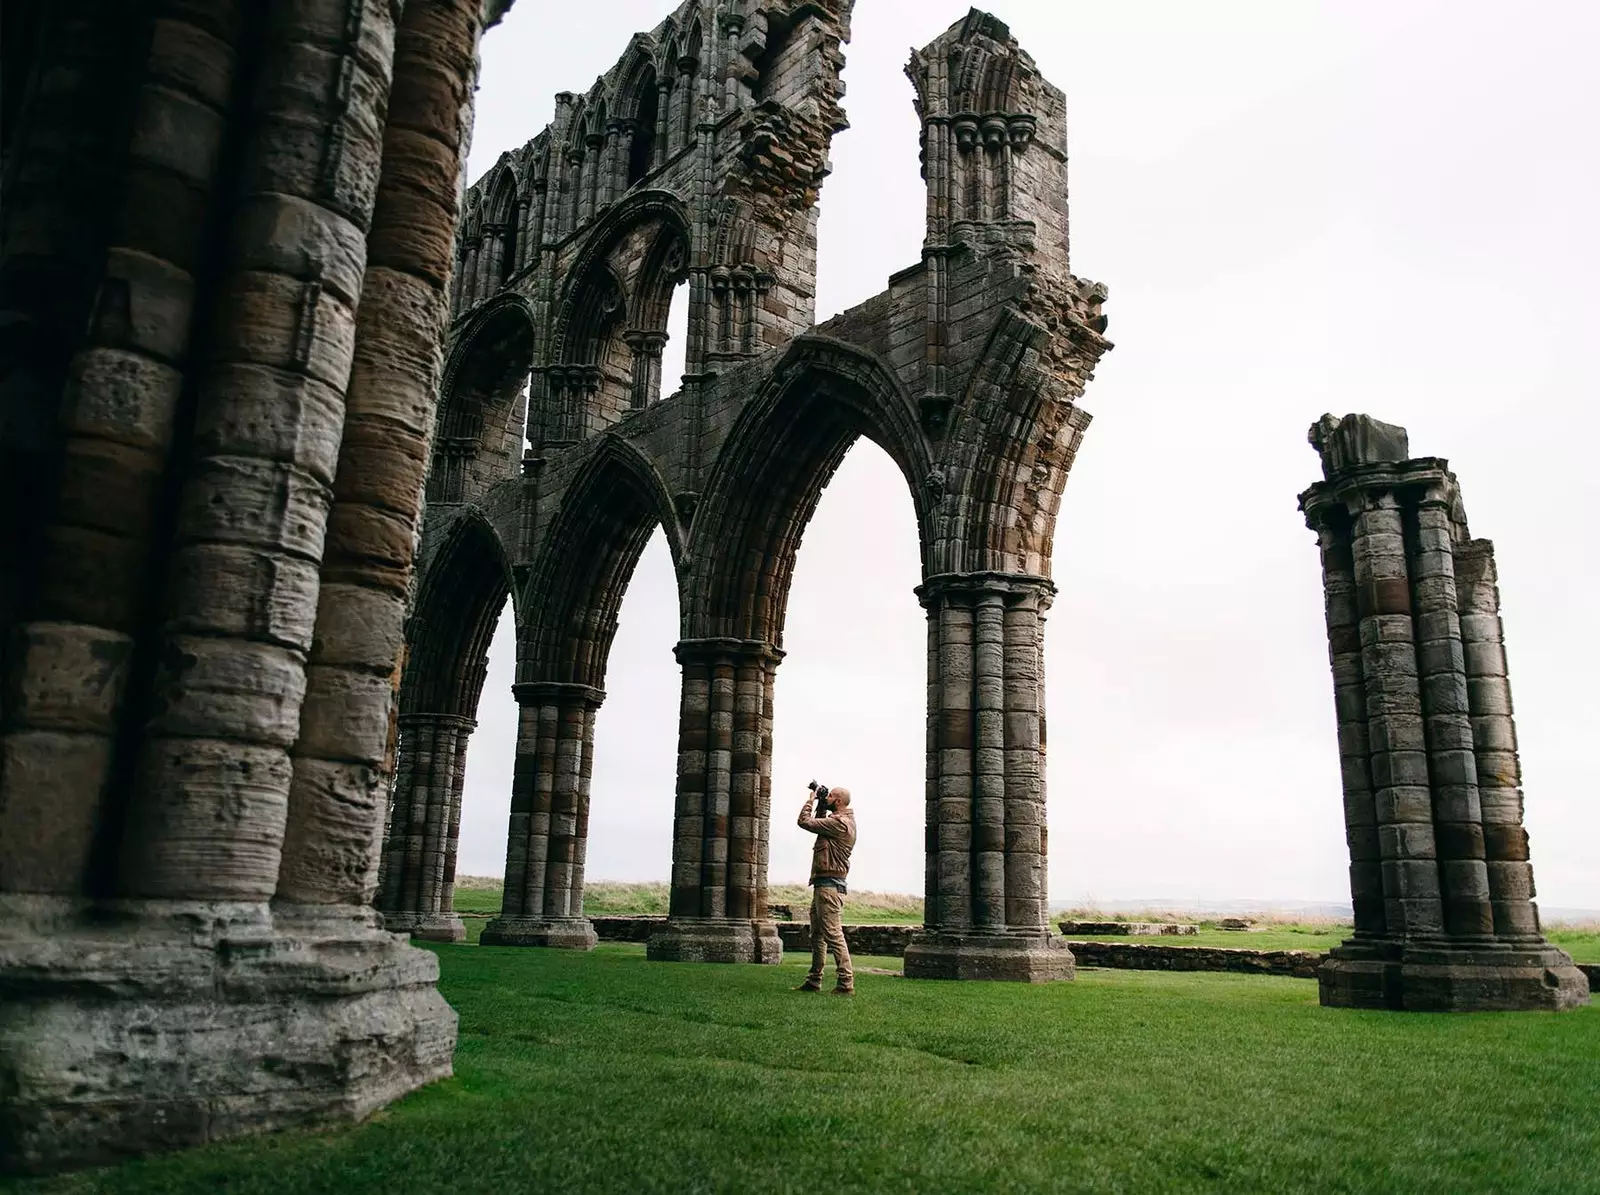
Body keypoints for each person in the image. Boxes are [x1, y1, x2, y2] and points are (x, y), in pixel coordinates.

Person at [795, 785, 857, 995]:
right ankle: (814, 980)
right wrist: (822, 804)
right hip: (825, 885)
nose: (827, 797)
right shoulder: (837, 821)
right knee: (818, 935)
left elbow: (805, 822)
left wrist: (811, 800)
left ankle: (846, 983)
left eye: (830, 796)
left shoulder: (840, 823)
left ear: (838, 801)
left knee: (832, 934)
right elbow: (819, 824)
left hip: (829, 888)